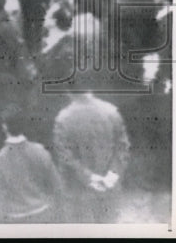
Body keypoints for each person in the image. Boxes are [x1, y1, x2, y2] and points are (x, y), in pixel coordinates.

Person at [53, 91, 131, 222]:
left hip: (79, 194)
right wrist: (113, 174)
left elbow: (64, 156)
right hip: (109, 190)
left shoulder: (63, 118)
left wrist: (89, 177)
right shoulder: (111, 111)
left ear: (68, 91)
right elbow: (123, 147)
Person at [0, 107, 63, 223]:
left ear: (4, 127)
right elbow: (56, 185)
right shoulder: (40, 152)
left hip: (15, 218)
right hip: (42, 213)